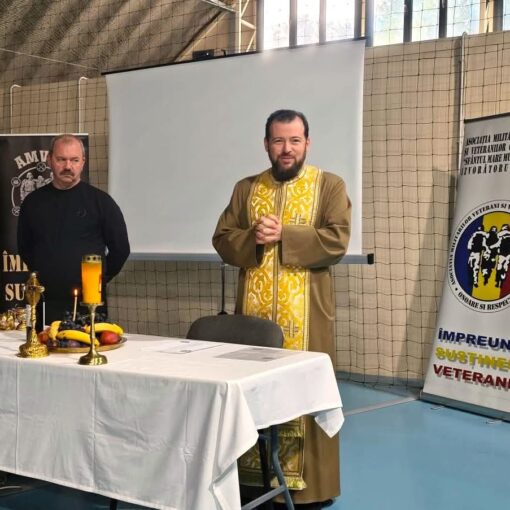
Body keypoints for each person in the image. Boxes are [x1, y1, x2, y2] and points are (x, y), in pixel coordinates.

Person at [213, 109, 351, 508]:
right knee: (249, 393)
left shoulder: (329, 185)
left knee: (304, 393)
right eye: (278, 141)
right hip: (253, 319)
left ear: (307, 142)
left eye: (294, 140)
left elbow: (337, 240)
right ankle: (252, 480)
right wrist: (253, 239)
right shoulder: (246, 188)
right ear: (266, 144)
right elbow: (222, 238)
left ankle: (309, 489)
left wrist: (286, 235)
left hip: (308, 316)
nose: (286, 149)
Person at [17, 134, 130, 328]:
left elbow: (121, 249)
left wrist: (97, 280)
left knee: (87, 345)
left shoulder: (101, 202)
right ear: (49, 160)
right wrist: (48, 273)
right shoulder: (33, 203)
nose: (68, 166)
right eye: (61, 159)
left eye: (74, 160)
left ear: (83, 162)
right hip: (45, 301)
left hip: (89, 303)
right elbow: (25, 248)